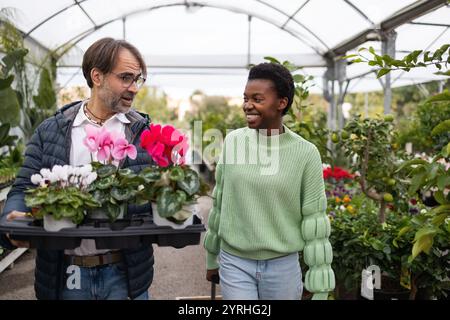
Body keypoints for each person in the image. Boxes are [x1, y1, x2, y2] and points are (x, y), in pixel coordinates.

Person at [0, 38, 155, 300]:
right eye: (126, 78)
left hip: (125, 274)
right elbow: (24, 187)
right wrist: (11, 222)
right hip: (65, 274)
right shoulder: (52, 130)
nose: (134, 88)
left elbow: (158, 194)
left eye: (137, 79)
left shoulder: (142, 133)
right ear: (97, 76)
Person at [203, 62, 335, 300]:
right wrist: (212, 256)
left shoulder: (305, 153)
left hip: (282, 267)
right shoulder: (233, 142)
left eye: (257, 99)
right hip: (235, 262)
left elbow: (315, 220)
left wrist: (321, 286)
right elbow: (220, 202)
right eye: (245, 98)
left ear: (281, 103)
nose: (247, 105)